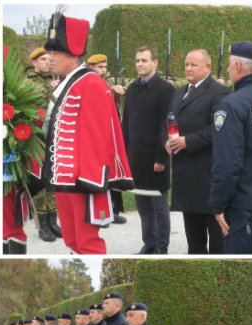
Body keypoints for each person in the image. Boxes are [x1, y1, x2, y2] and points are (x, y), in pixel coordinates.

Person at [39, 13, 133, 254]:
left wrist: (91, 180)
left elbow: (98, 137)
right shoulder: (67, 82)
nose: (49, 58)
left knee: (88, 242)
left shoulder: (92, 84)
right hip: (63, 179)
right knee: (71, 241)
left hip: (83, 181)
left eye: (55, 53)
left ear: (72, 54)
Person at [164, 49, 230, 254]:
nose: (189, 69)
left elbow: (217, 129)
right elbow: (169, 122)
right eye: (186, 64)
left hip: (207, 175)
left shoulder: (220, 93)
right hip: (186, 178)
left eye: (194, 65)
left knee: (218, 241)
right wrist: (167, 141)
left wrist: (187, 142)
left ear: (207, 67)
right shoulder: (180, 92)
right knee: (194, 241)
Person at [210, 42, 252, 254]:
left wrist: (218, 206)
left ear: (237, 66)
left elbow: (227, 164)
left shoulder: (231, 105)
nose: (227, 70)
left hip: (245, 210)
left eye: (228, 65)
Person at [122, 46, 175, 254]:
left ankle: (162, 247)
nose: (140, 64)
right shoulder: (133, 89)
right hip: (135, 155)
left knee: (159, 206)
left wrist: (161, 158)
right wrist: (124, 155)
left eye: (144, 60)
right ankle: (149, 243)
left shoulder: (165, 90)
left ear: (155, 63)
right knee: (142, 204)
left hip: (155, 156)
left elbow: (166, 125)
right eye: (137, 60)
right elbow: (126, 123)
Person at [86, 53, 127, 226]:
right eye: (99, 67)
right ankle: (100, 214)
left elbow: (130, 85)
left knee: (113, 172)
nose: (103, 70)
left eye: (104, 66)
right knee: (99, 175)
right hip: (97, 134)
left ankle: (113, 210)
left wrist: (122, 89)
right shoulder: (88, 82)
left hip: (112, 132)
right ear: (91, 67)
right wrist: (111, 90)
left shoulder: (109, 80)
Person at [27, 47, 62, 241]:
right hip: (36, 137)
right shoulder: (28, 82)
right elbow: (31, 105)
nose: (47, 61)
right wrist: (50, 90)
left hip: (53, 135)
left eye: (49, 59)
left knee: (52, 179)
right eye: (43, 59)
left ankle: (52, 220)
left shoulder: (56, 80)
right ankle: (42, 225)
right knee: (39, 181)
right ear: (34, 62)